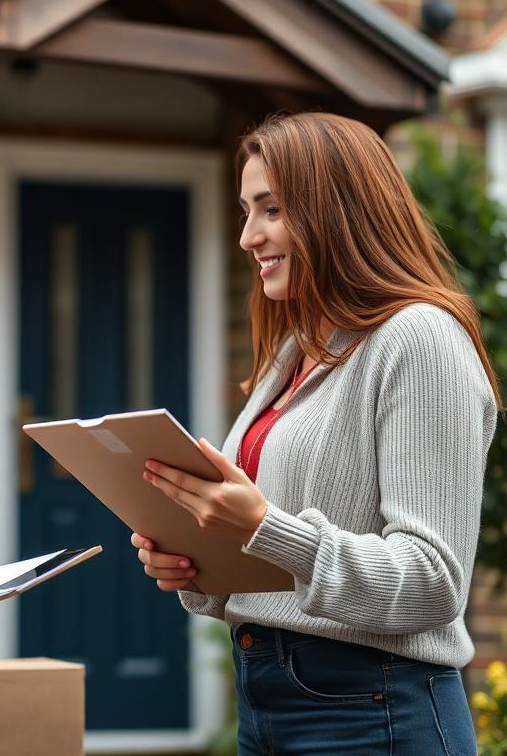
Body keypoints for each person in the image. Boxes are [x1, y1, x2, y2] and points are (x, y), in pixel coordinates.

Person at [131, 112, 498, 754]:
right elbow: (275, 563)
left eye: (271, 209)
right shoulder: (294, 352)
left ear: (340, 213)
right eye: (246, 211)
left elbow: (434, 581)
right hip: (267, 703)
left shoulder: (420, 339)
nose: (248, 236)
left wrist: (264, 527)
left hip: (375, 712)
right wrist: (199, 565)